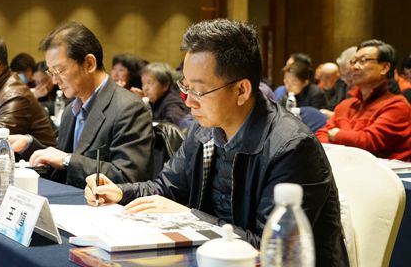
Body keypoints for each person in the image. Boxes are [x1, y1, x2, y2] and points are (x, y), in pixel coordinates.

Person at [85, 19, 347, 266]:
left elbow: (268, 249)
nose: (188, 101)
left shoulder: (292, 148)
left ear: (241, 90)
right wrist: (120, 192)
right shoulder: (204, 127)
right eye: (185, 86)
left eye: (198, 90)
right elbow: (166, 189)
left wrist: (187, 217)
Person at [10, 22, 154, 188]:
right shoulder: (70, 111)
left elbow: (128, 177)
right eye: (51, 72)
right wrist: (29, 145)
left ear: (89, 64)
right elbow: (61, 168)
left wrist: (67, 160)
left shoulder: (129, 108)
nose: (55, 80)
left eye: (59, 70)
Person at [317, 40, 411, 160]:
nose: (355, 67)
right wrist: (350, 139)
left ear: (384, 67)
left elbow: (368, 142)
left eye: (363, 60)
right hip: (346, 165)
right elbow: (320, 137)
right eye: (353, 61)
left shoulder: (397, 106)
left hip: (387, 170)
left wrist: (336, 134)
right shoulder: (346, 105)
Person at [135, 62, 190, 127]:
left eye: (149, 83)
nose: (145, 88)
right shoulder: (154, 100)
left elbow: (172, 125)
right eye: (143, 83)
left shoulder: (173, 102)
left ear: (165, 85)